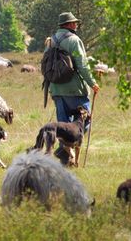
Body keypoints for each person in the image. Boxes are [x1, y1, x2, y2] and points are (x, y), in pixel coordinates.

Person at [48, 12, 99, 164]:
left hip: (57, 90)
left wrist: (52, 87)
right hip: (75, 90)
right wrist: (93, 83)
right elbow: (82, 65)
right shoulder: (74, 40)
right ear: (69, 25)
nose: (76, 25)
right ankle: (65, 151)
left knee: (63, 126)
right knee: (85, 120)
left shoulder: (51, 41)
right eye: (74, 23)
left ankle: (66, 155)